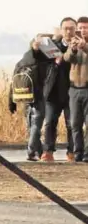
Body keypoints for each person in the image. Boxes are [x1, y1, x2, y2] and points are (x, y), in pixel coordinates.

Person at [33, 18, 76, 162]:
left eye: (71, 28)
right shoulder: (52, 46)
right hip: (53, 91)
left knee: (72, 124)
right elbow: (39, 59)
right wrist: (35, 48)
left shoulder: (79, 46)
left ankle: (72, 151)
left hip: (72, 91)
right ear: (61, 30)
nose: (69, 31)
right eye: (66, 28)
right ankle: (48, 151)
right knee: (50, 122)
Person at [9, 37, 50, 160]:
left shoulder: (21, 62)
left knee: (31, 125)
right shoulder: (40, 63)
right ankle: (31, 152)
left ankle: (38, 150)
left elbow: (13, 84)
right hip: (37, 97)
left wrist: (11, 103)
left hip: (24, 97)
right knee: (36, 125)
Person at [63, 17, 88, 162]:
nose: (83, 30)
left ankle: (87, 154)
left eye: (86, 28)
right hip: (74, 90)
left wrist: (84, 46)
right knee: (75, 124)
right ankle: (78, 153)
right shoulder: (73, 42)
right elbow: (66, 58)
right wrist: (72, 49)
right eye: (81, 28)